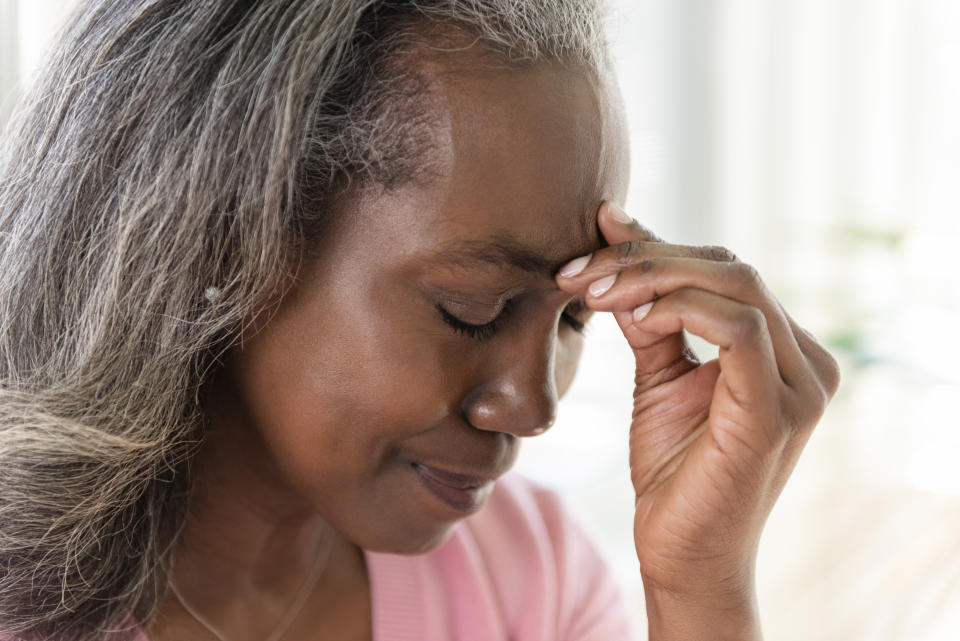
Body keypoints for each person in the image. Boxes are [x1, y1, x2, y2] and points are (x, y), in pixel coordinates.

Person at [0, 1, 841, 640]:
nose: (533, 407)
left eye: (576, 318)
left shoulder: (532, 581)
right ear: (221, 243)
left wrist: (699, 586)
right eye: (471, 310)